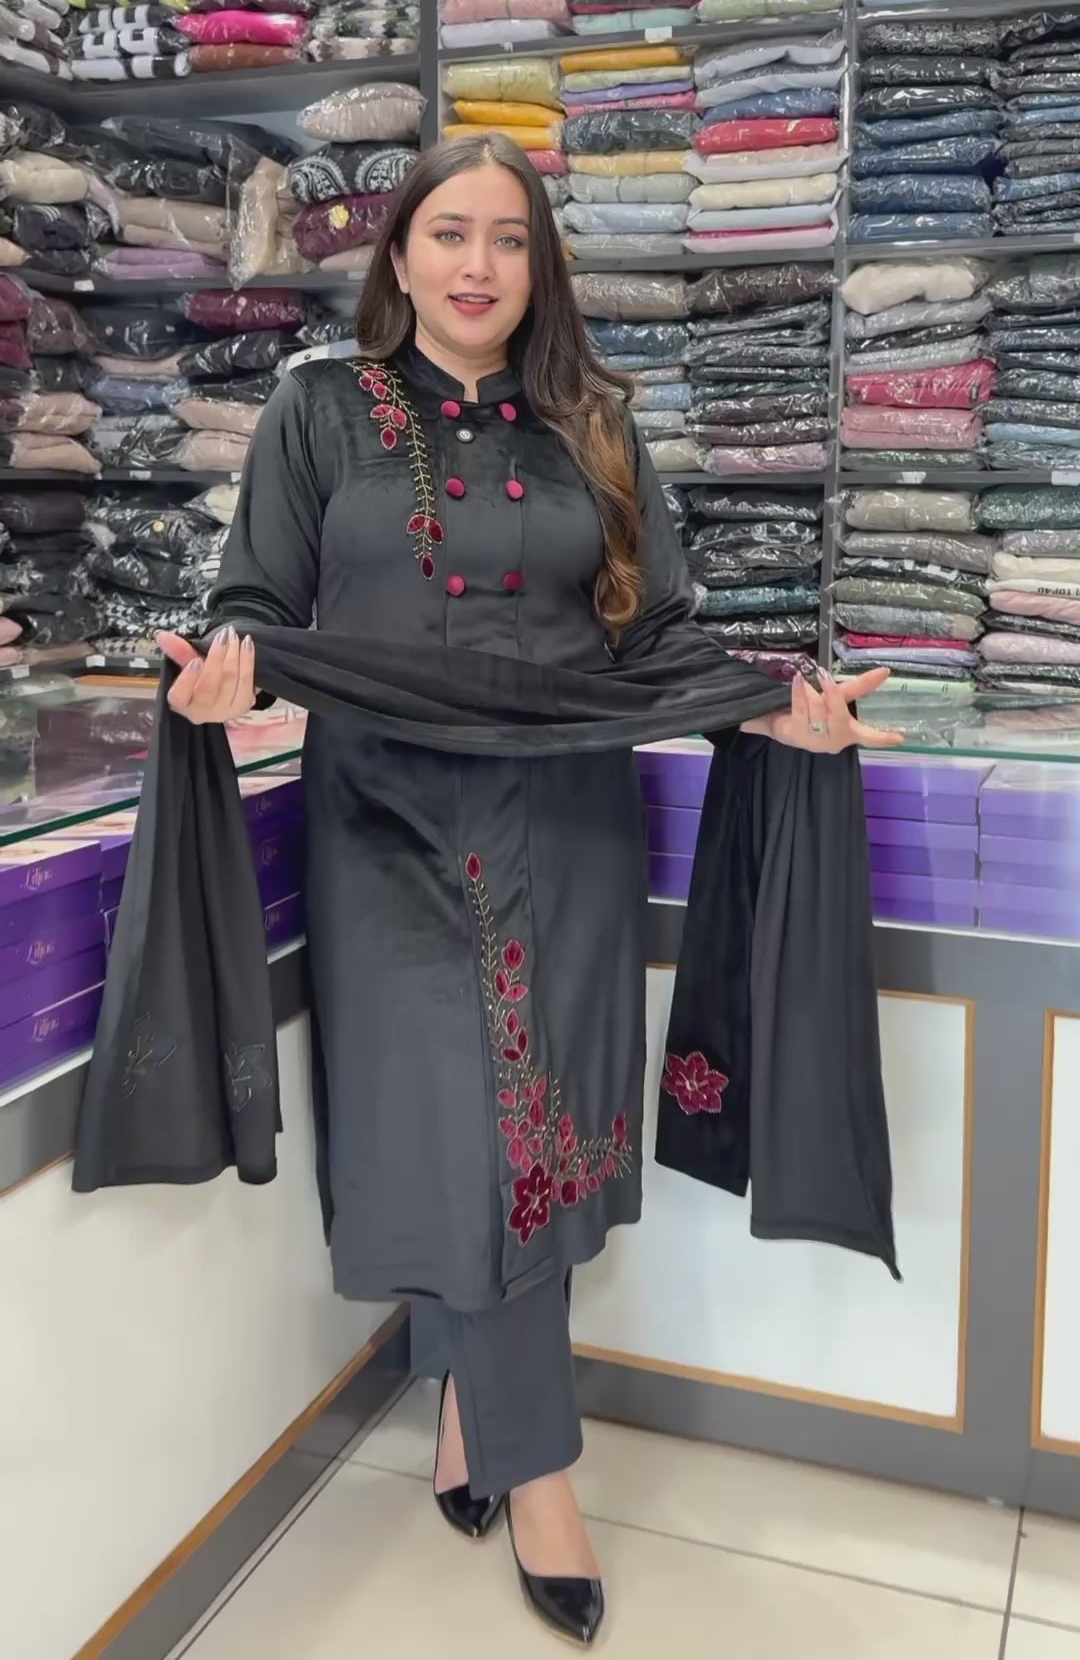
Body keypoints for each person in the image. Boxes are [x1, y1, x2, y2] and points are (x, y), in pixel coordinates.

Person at [156, 133, 898, 1647]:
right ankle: (541, 1471)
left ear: (540, 264)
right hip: (386, 828)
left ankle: (469, 1415)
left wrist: (783, 707)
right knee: (458, 1128)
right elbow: (256, 604)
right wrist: (223, 678)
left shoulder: (594, 425)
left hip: (566, 825)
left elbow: (659, 634)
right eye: (449, 233)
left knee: (542, 1131)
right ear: (400, 254)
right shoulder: (317, 410)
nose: (478, 264)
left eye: (509, 237)